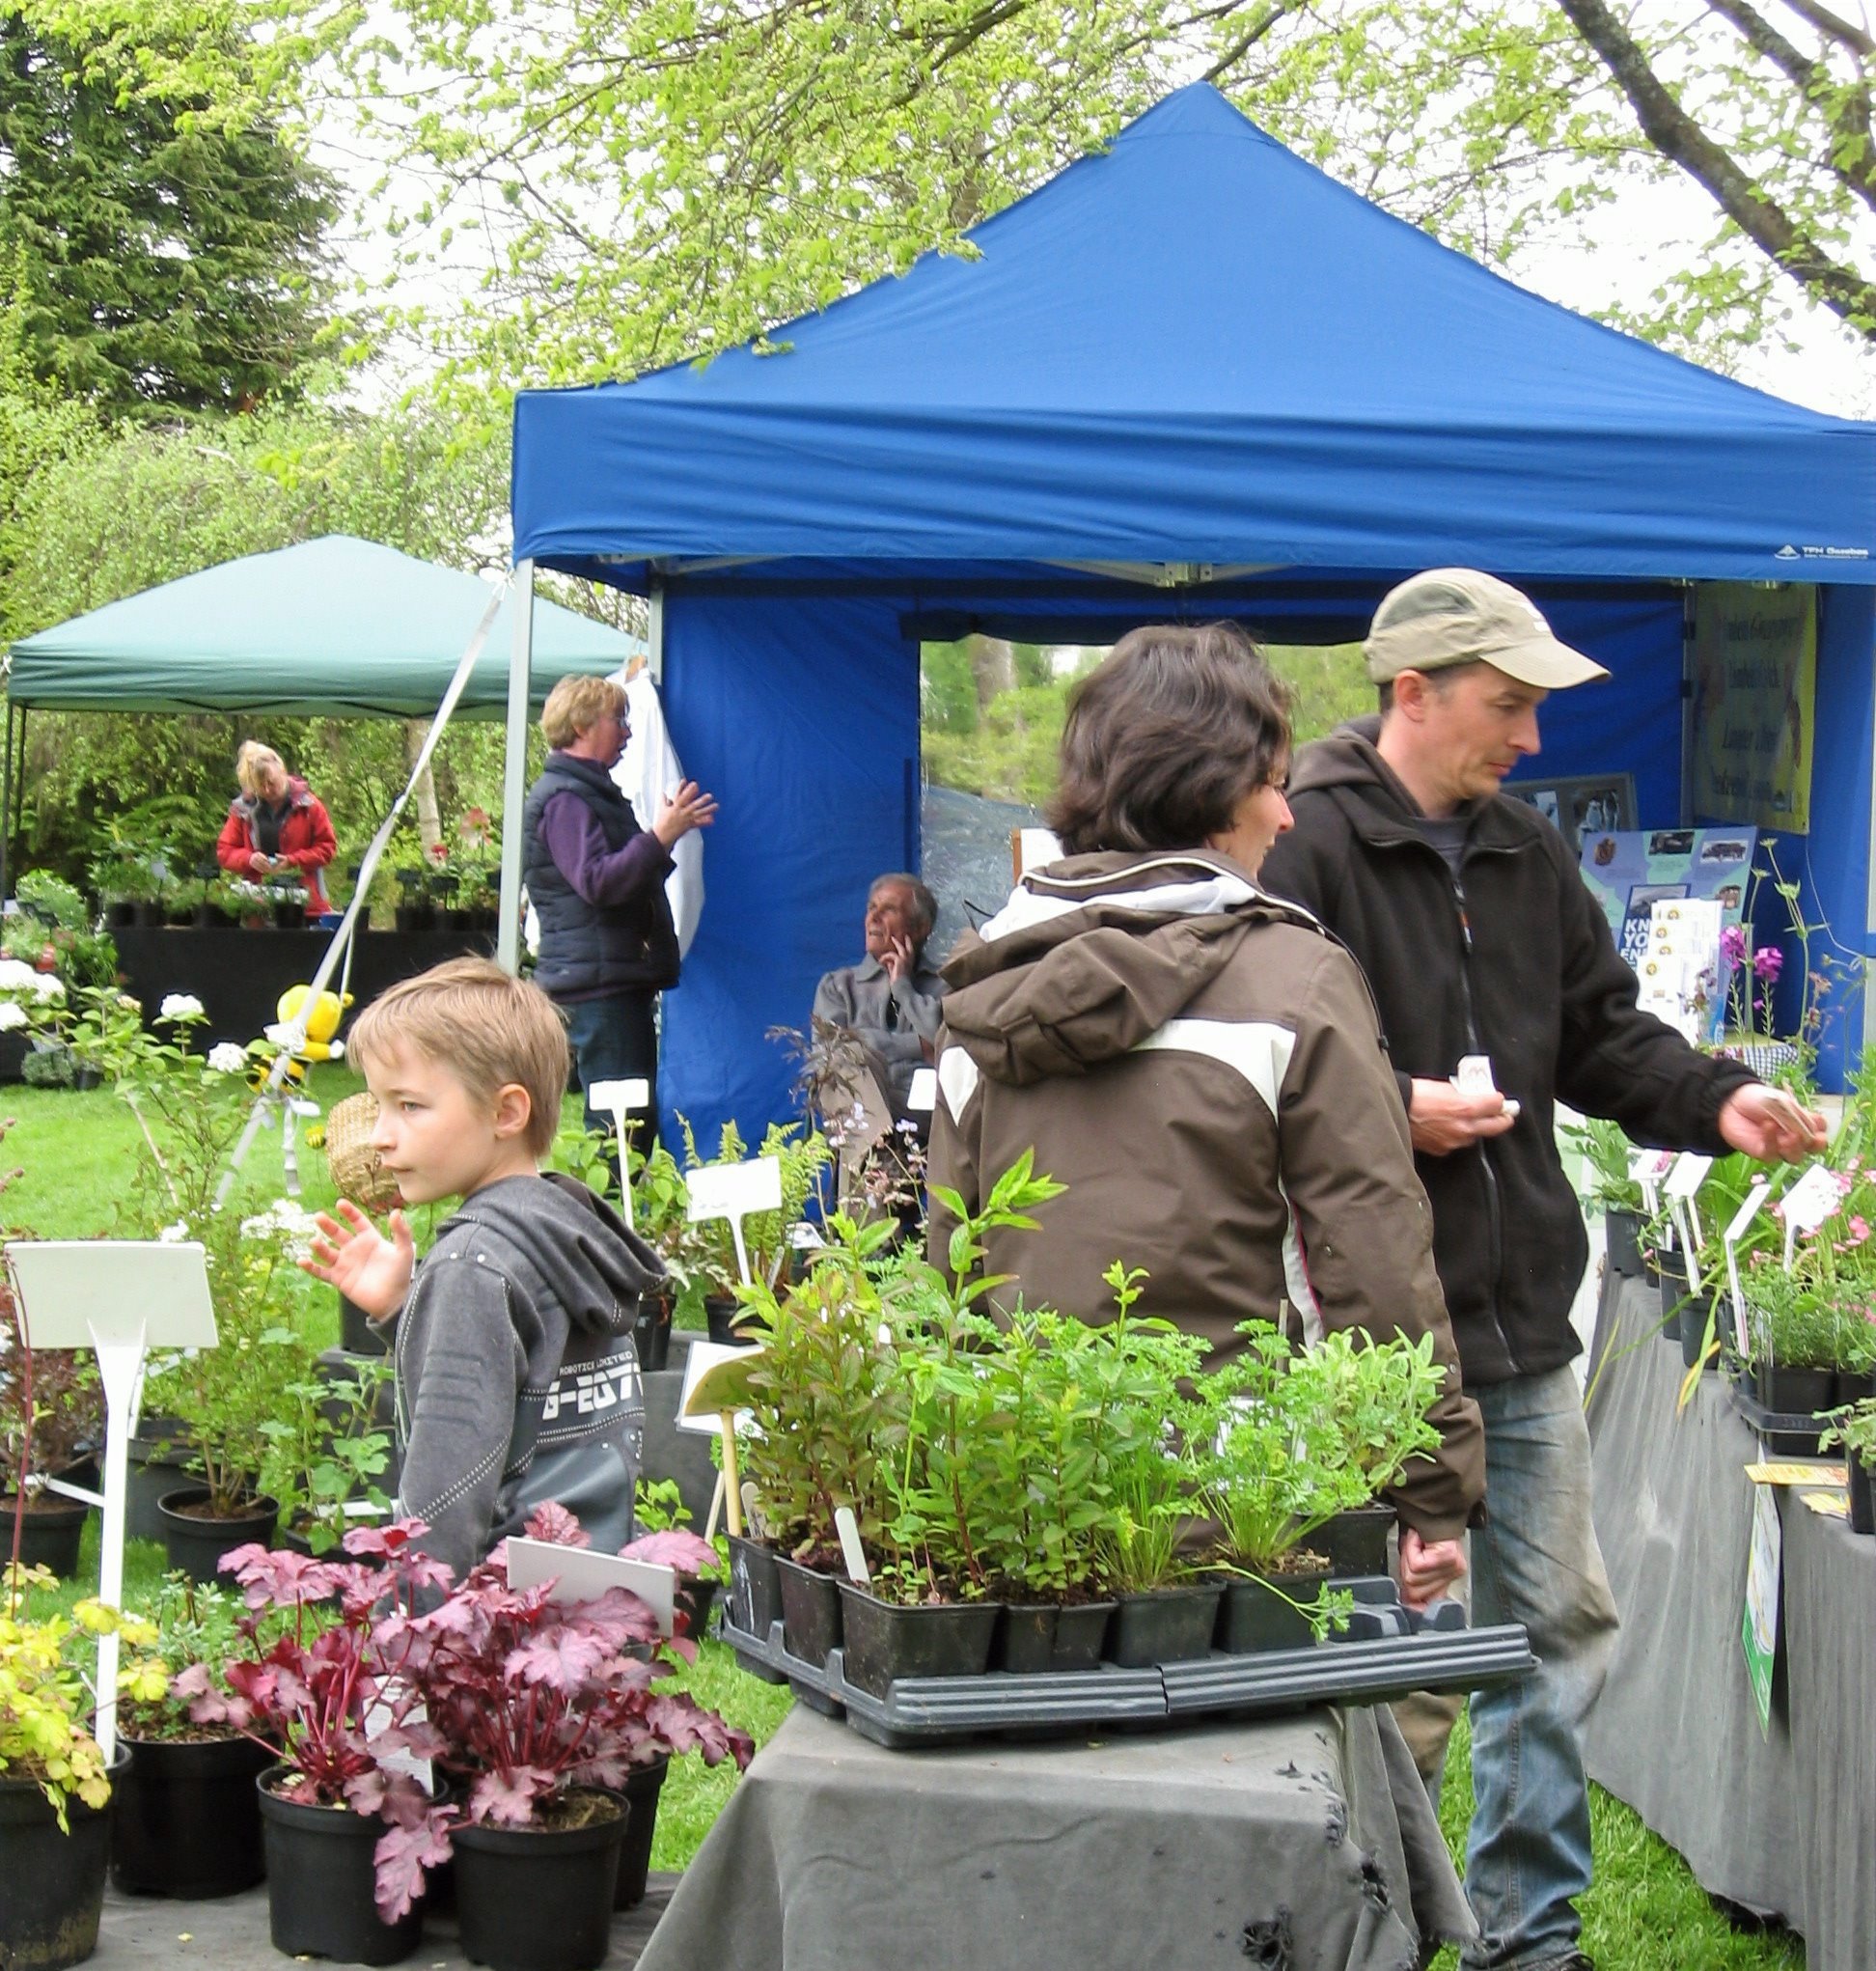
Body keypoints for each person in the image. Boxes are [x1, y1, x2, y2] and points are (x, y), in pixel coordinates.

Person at [1258, 568, 1826, 1971]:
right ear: (1412, 692)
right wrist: (1393, 1109)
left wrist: (1715, 1098)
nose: (1527, 738)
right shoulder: (1304, 845)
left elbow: (1599, 1032)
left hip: (1521, 1328)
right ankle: (1362, 1929)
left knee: (1554, 1631)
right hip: (1369, 1340)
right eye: (1505, 706)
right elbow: (1253, 1068)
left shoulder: (1524, 850)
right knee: (1404, 1664)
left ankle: (1534, 1938)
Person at [927, 622, 1486, 1587]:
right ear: (1217, 789)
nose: (1288, 814)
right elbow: (1372, 1251)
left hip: (1033, 1519)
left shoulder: (984, 987)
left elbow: (952, 1279)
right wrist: (1430, 1489)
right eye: (1272, 781)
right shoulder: (1295, 980)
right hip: (1252, 1519)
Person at [299, 958, 663, 1582]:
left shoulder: (474, 1266)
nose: (381, 1137)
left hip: (493, 1627)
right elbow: (529, 1395)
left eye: (409, 1106)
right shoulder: (563, 1231)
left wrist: (404, 1652)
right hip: (593, 1600)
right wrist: (401, 1310)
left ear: (506, 1113)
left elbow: (444, 1500)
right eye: (379, 1106)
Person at [522, 676, 717, 1141]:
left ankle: (613, 1210)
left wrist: (660, 842)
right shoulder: (566, 800)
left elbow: (624, 879)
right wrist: (661, 836)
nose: (628, 731)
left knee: (629, 1123)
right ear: (583, 724)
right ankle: (605, 1212)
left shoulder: (589, 793)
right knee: (619, 1131)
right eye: (619, 720)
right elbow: (599, 883)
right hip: (597, 988)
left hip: (607, 979)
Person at [812, 874, 947, 1112]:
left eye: (889, 909)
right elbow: (830, 1056)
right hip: (858, 1121)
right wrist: (919, 1046)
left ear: (920, 928)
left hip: (928, 1120)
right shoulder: (838, 986)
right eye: (871, 908)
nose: (873, 917)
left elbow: (948, 1046)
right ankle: (877, 1147)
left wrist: (903, 988)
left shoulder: (946, 985)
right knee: (846, 1058)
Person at [215, 740, 338, 913]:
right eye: (260, 785)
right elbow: (224, 851)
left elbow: (327, 848)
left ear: (282, 771)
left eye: (271, 783)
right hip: (257, 904)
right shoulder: (243, 809)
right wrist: (249, 859)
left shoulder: (309, 805)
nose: (266, 789)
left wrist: (292, 861)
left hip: (304, 903)